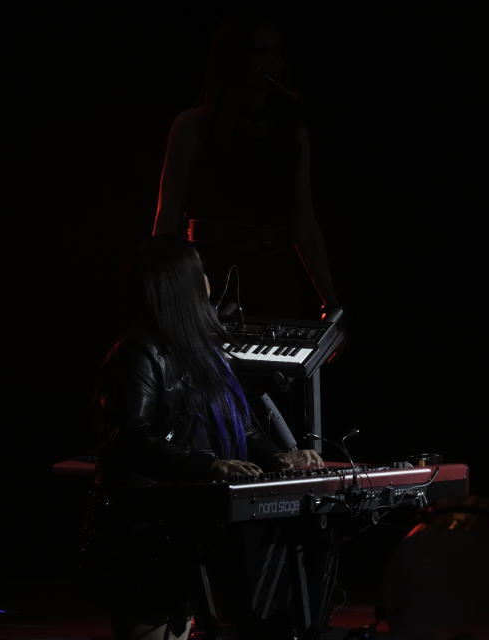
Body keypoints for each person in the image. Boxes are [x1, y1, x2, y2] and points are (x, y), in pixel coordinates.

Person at [89, 234, 324, 640]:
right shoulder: (138, 353)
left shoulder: (202, 352)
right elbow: (128, 440)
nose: (209, 283)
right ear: (181, 285)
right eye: (200, 272)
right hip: (147, 536)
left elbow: (240, 426)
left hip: (193, 528)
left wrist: (278, 457)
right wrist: (207, 465)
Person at [152, 15, 339, 320]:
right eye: (259, 51)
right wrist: (159, 298)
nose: (271, 62)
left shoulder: (292, 132)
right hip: (204, 289)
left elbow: (305, 224)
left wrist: (331, 304)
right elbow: (167, 220)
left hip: (275, 289)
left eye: (276, 52)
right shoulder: (191, 127)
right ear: (234, 59)